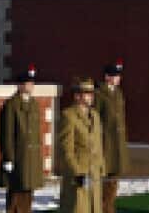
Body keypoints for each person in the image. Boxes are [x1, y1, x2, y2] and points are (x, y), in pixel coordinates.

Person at [0, 65, 44, 213]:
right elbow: (7, 134)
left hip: (31, 157)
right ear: (19, 85)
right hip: (18, 156)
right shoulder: (11, 105)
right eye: (26, 83)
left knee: (28, 195)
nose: (30, 86)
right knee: (15, 197)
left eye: (31, 83)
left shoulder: (34, 104)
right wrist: (8, 158)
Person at [57, 78, 104, 213]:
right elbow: (66, 150)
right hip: (78, 176)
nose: (91, 96)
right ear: (77, 96)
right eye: (87, 93)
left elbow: (98, 144)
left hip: (94, 174)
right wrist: (77, 173)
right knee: (78, 208)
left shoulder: (95, 115)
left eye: (91, 93)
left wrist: (101, 167)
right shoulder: (69, 116)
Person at [93, 60, 127, 213]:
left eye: (119, 76)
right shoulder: (99, 94)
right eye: (115, 75)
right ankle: (103, 209)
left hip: (117, 144)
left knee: (114, 182)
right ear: (107, 77)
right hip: (106, 144)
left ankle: (109, 208)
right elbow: (95, 120)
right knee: (104, 182)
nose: (118, 79)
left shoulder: (118, 93)